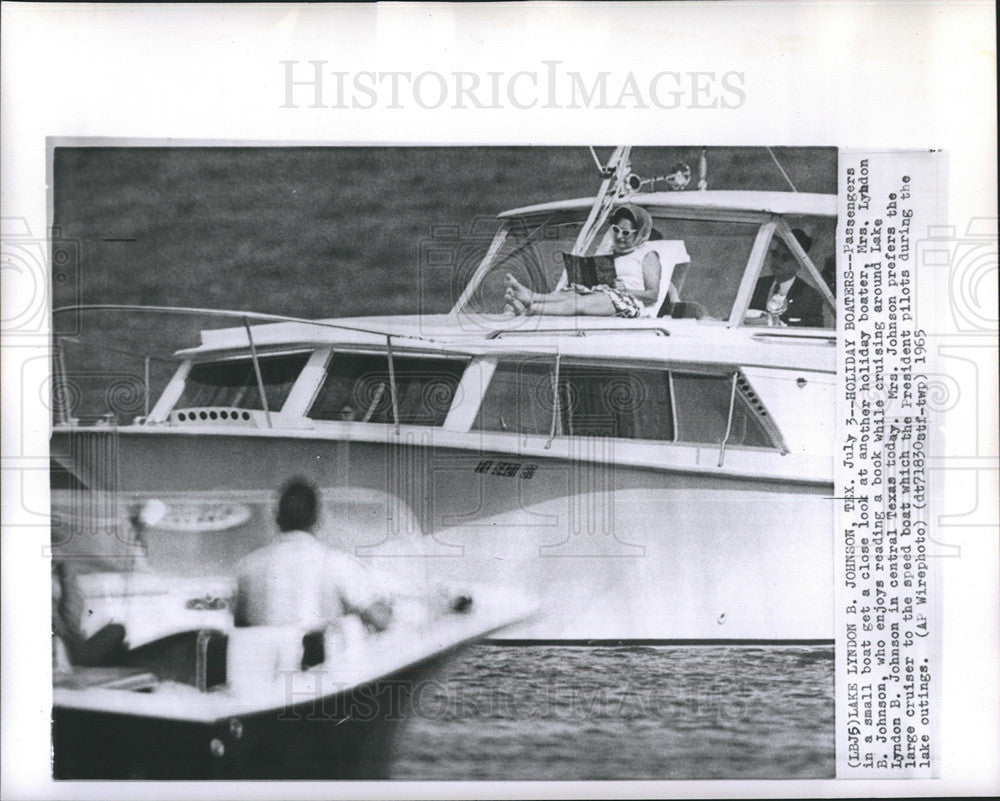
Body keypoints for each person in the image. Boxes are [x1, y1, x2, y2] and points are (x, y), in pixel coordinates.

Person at [233, 477, 392, 635]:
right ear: (317, 518)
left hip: (264, 658)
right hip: (321, 658)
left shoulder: (248, 567)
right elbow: (379, 619)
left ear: (277, 517)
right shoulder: (337, 563)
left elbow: (237, 625)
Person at [504, 205, 686, 318]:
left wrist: (626, 290)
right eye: (616, 230)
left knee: (580, 304)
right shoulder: (610, 253)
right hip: (602, 293)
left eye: (626, 233)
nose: (619, 237)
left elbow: (653, 294)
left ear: (639, 234)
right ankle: (532, 297)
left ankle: (532, 310)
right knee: (573, 293)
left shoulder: (648, 256)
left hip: (627, 301)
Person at [748, 229, 825, 328]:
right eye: (775, 255)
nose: (777, 261)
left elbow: (816, 334)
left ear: (799, 264)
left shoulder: (810, 296)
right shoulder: (758, 285)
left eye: (785, 258)